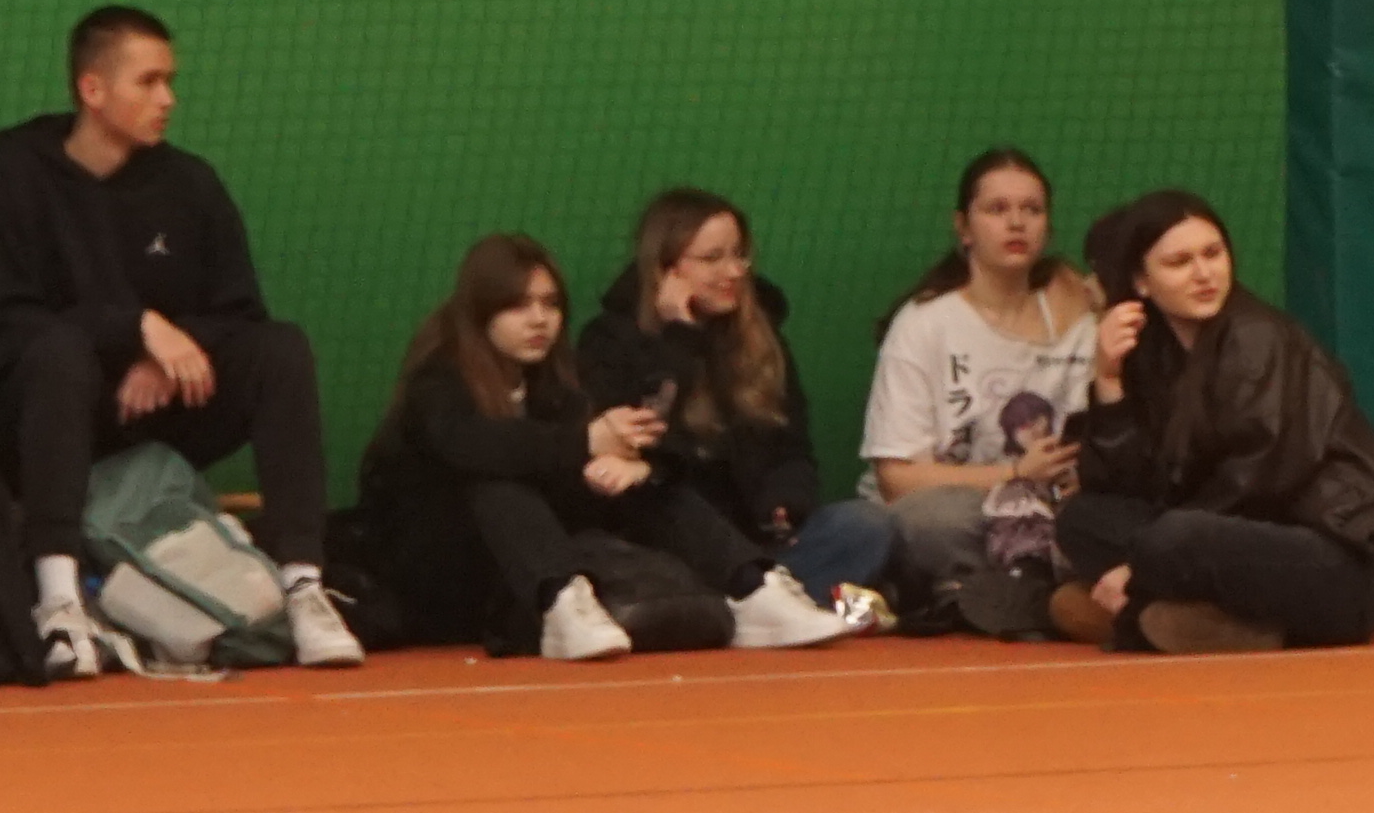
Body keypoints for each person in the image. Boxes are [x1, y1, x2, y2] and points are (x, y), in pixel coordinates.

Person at [0, 8, 348, 676]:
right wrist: (136, 326)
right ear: (92, 89)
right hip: (48, 415)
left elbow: (240, 312)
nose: (167, 99)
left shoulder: (190, 184)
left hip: (160, 409)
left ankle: (302, 587)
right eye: (148, 82)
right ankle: (59, 603)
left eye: (170, 81)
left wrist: (166, 356)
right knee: (56, 354)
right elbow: (7, 322)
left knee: (281, 349)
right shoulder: (15, 174)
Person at [362, 233, 861, 660]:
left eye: (550, 304)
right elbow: (475, 447)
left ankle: (753, 589)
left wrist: (634, 469)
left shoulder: (554, 386)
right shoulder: (439, 382)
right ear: (479, 314)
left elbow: (631, 438)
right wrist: (586, 442)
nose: (539, 320)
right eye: (518, 306)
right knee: (498, 483)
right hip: (440, 577)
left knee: (643, 484)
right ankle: (561, 604)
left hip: (521, 570)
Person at [1051, 189, 1374, 654]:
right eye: (1179, 262)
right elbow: (1125, 487)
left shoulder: (1257, 338)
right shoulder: (1153, 351)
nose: (1204, 274)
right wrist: (1110, 380)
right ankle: (1204, 622)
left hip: (1337, 562)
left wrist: (1139, 567)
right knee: (1082, 519)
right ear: (1142, 283)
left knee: (1173, 537)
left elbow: (1256, 489)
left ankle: (1142, 616)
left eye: (1213, 254)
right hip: (1229, 542)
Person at [580, 188, 904, 623]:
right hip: (672, 541)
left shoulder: (761, 337)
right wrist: (680, 338)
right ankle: (763, 604)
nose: (733, 271)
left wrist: (788, 498)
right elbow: (646, 444)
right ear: (666, 266)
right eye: (712, 258)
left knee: (865, 525)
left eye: (739, 255)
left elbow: (792, 448)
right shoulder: (609, 341)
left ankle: (756, 604)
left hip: (758, 540)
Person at [856, 149, 1116, 635]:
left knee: (1109, 517)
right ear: (964, 227)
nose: (1016, 223)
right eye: (997, 209)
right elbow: (896, 480)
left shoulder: (1084, 314)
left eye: (1031, 210)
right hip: (961, 513)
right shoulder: (924, 324)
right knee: (932, 520)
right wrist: (1015, 472)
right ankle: (1020, 594)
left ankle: (1020, 596)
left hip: (1053, 508)